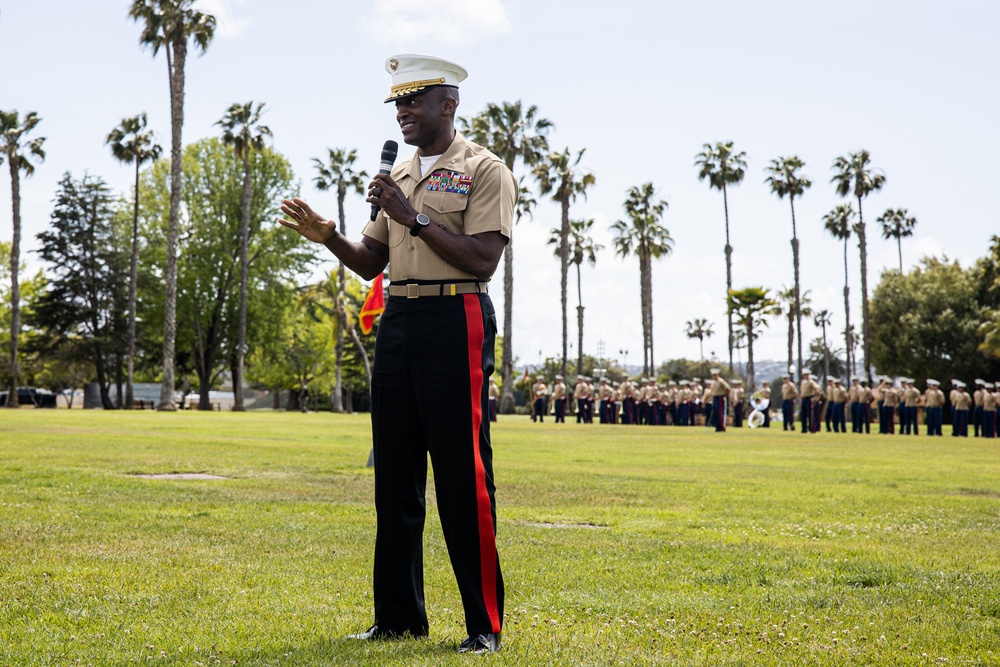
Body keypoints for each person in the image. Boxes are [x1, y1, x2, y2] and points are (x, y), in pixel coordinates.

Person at [279, 54, 512, 654]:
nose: (404, 112)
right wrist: (329, 236)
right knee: (397, 478)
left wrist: (413, 215)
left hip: (456, 314)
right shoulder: (400, 174)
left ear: (448, 105)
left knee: (463, 474)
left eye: (414, 101)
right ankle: (399, 617)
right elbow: (372, 262)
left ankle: (483, 626)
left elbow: (483, 257)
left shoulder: (484, 169)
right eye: (398, 104)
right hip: (400, 317)